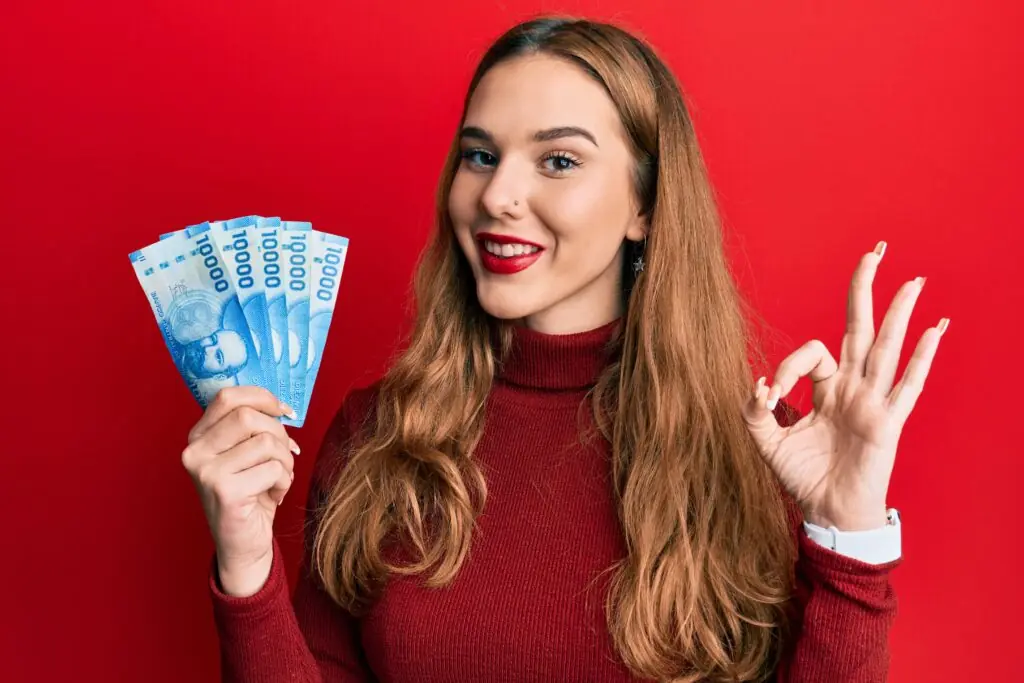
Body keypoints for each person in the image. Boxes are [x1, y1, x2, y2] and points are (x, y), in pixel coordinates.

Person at [181, 16, 947, 683]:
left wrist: (848, 537)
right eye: (480, 155)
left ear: (645, 206)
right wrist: (248, 568)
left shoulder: (768, 445)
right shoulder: (376, 435)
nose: (497, 195)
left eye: (558, 161)